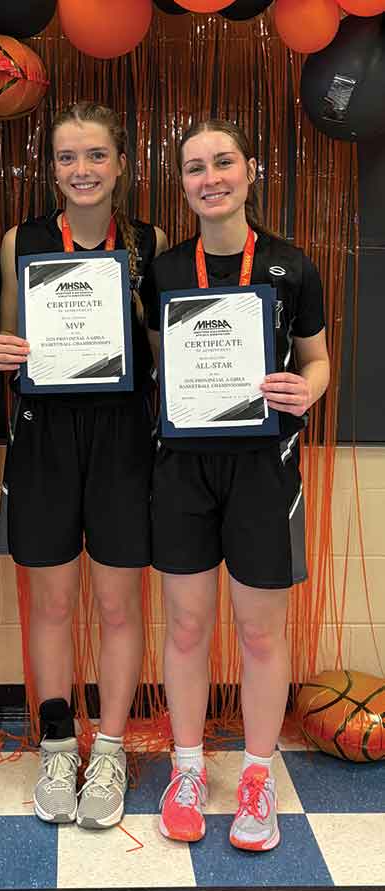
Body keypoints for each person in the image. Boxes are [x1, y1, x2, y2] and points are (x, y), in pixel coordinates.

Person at [0, 102, 167, 829]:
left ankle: (111, 747)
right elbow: (6, 339)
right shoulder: (21, 241)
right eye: (67, 157)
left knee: (119, 605)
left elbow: (165, 346)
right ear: (52, 168)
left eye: (95, 155)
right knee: (52, 605)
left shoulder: (151, 242)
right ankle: (58, 744)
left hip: (124, 437)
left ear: (120, 164)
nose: (82, 169)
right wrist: (1, 353)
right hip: (44, 435)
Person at [150, 119, 330, 851]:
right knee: (187, 627)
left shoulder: (291, 265)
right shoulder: (164, 270)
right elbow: (156, 367)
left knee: (260, 632)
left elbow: (317, 359)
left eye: (223, 162)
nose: (211, 178)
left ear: (249, 170)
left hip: (263, 468)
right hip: (181, 469)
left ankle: (258, 774)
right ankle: (187, 768)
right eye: (195, 168)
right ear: (182, 184)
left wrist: (308, 390)